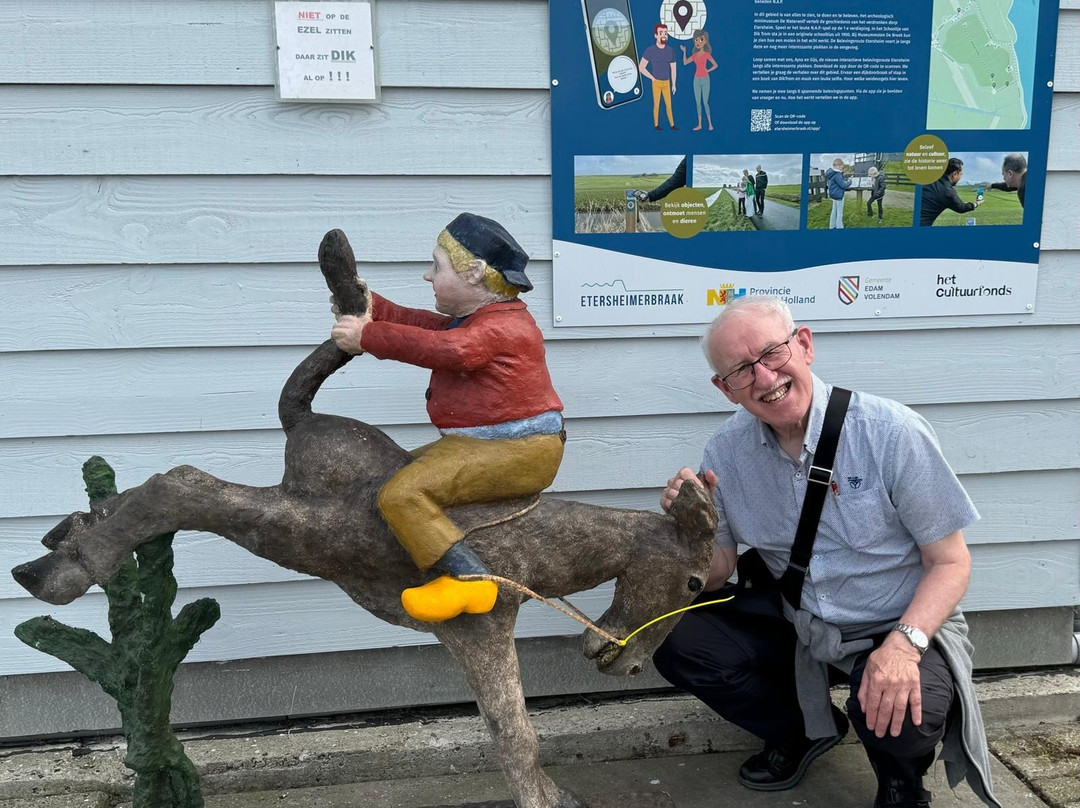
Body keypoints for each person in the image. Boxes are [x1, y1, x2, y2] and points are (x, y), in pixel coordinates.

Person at [653, 296, 1000, 808]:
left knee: (903, 710)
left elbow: (951, 562)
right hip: (804, 625)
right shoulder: (724, 454)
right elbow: (718, 572)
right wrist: (691, 532)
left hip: (896, 622)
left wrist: (904, 648)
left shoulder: (890, 432)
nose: (765, 379)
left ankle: (902, 781)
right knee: (675, 637)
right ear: (724, 388)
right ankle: (801, 731)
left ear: (805, 344)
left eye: (772, 353)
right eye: (742, 371)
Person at [330, 213, 565, 623]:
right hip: (482, 441)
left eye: (437, 266)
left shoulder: (502, 328)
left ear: (474, 273)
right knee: (392, 473)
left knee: (402, 494)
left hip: (519, 450)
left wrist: (367, 337)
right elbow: (431, 327)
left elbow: (449, 349)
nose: (427, 276)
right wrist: (374, 307)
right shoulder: (482, 317)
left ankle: (469, 578)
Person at [919, 158, 982, 226]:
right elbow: (962, 208)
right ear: (954, 174)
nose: (960, 177)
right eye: (960, 174)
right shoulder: (948, 191)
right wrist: (976, 204)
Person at [639, 23, 678, 131]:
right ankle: (656, 125)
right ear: (656, 35)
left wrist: (674, 84)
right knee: (656, 105)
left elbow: (673, 69)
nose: (664, 35)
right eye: (661, 33)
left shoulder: (671, 51)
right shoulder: (650, 50)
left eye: (665, 33)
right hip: (656, 82)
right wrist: (652, 78)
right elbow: (641, 67)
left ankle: (672, 125)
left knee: (669, 106)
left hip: (667, 82)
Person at [680, 29, 717, 131]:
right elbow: (685, 62)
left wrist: (708, 70)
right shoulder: (695, 55)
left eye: (700, 39)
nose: (698, 42)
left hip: (705, 79)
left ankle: (710, 124)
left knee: (705, 102)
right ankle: (699, 124)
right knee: (698, 103)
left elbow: (715, 65)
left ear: (705, 41)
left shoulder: (706, 54)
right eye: (696, 40)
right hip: (696, 80)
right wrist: (684, 52)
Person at [825, 158, 852, 229]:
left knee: (834, 210)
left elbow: (837, 183)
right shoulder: (837, 174)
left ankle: (832, 225)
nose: (841, 168)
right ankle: (839, 227)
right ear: (838, 165)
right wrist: (850, 182)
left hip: (833, 194)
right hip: (839, 195)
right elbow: (843, 185)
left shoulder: (830, 172)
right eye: (841, 167)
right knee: (840, 212)